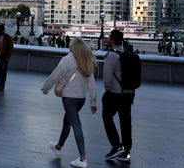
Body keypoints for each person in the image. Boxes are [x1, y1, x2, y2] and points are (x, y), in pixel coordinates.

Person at [41, 38, 97, 168]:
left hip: (69, 98)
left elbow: (56, 75)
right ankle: (58, 146)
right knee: (68, 120)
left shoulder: (67, 59)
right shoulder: (86, 60)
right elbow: (91, 83)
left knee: (76, 124)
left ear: (73, 47)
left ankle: (82, 158)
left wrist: (46, 88)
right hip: (81, 99)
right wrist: (93, 101)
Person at [102, 29, 135, 163]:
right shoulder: (127, 53)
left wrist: (108, 90)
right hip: (129, 93)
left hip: (115, 93)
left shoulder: (111, 55)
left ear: (113, 40)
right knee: (126, 121)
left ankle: (116, 145)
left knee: (107, 116)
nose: (108, 39)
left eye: (109, 37)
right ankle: (126, 152)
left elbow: (107, 78)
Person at [0, 24, 14, 91]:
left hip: (4, 57)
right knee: (0, 71)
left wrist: (7, 57)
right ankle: (0, 84)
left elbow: (10, 48)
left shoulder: (8, 37)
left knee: (3, 71)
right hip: (0, 56)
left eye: (0, 30)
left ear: (2, 29)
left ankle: (2, 85)